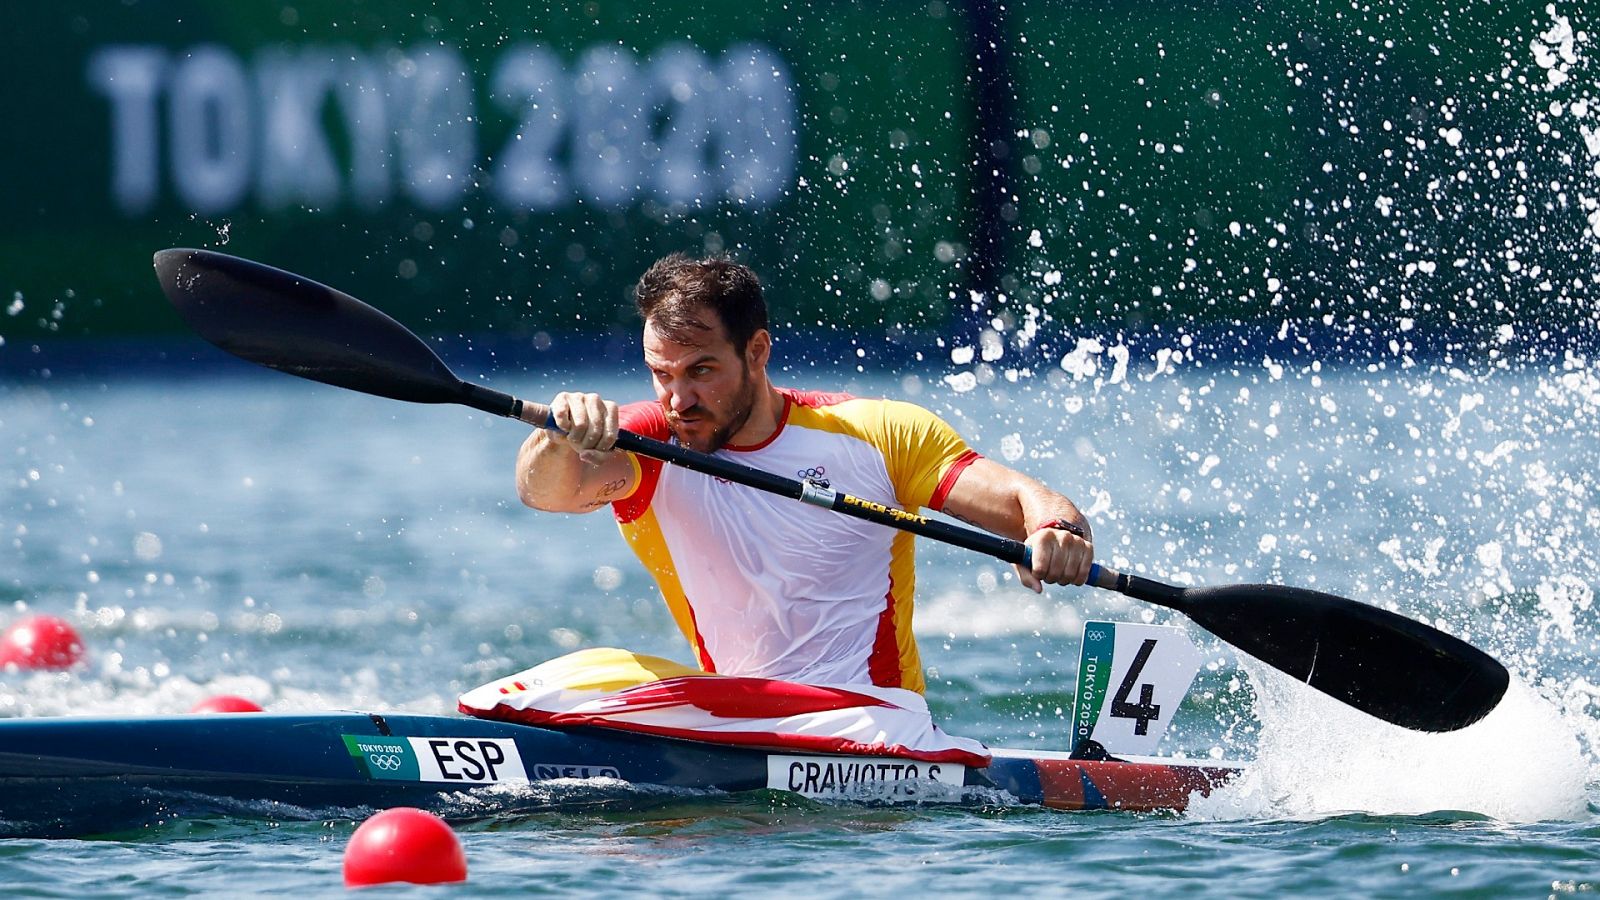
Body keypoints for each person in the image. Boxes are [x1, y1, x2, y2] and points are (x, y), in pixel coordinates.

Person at [516, 254, 1093, 694]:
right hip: (743, 716)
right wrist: (558, 436)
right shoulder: (648, 442)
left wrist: (1057, 533)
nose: (678, 399)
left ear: (757, 351)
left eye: (702, 370)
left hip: (879, 727)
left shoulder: (879, 436)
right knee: (590, 675)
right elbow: (543, 491)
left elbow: (1027, 502)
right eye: (661, 375)